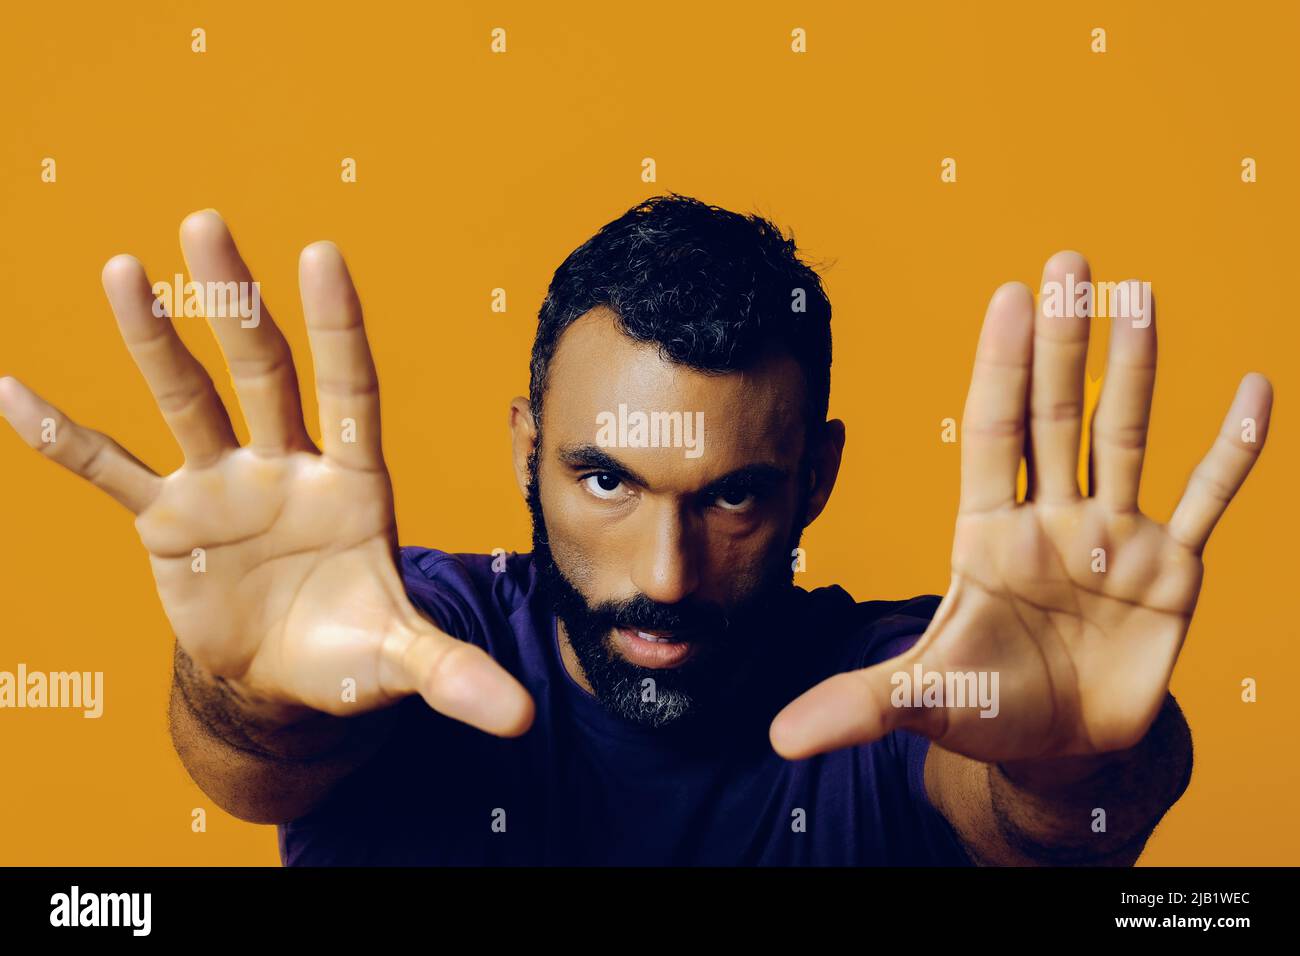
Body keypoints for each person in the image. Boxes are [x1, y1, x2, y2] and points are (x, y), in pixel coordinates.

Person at [0, 195, 1272, 865]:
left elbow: (1042, 826)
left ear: (814, 477)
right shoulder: (415, 640)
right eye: (605, 481)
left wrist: (1069, 771)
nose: (662, 578)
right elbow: (255, 765)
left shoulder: (909, 689)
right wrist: (254, 698)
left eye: (730, 494)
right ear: (522, 450)